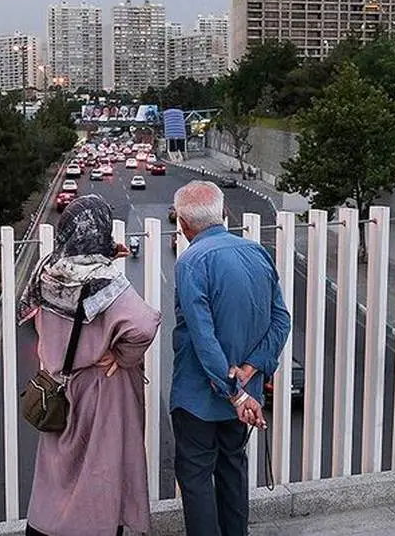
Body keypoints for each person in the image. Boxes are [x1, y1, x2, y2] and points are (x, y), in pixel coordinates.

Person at [19, 194, 161, 536]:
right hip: (99, 391)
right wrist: (121, 356)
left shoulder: (48, 270)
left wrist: (105, 253)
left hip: (58, 385)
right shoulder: (104, 281)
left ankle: (47, 527)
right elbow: (144, 325)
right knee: (99, 470)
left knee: (58, 471)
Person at [169, 180, 291, 536]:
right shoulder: (257, 253)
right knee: (233, 469)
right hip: (246, 395)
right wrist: (250, 370)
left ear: (183, 224)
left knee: (195, 476)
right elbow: (281, 320)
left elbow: (202, 336)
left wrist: (232, 390)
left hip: (199, 397)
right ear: (224, 213)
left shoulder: (191, 262)